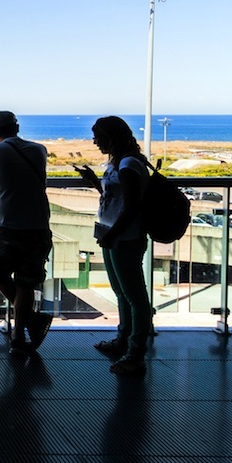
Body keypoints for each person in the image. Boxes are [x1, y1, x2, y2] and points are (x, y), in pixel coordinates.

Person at [0, 111, 53, 357]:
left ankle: (31, 321)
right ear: (16, 126)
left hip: (7, 226)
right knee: (26, 281)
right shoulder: (39, 150)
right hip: (38, 227)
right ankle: (19, 335)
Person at [74, 116, 151, 375]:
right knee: (121, 292)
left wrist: (113, 234)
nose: (95, 141)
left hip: (124, 237)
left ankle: (135, 353)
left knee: (135, 297)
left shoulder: (129, 164)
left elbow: (132, 207)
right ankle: (123, 341)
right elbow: (115, 197)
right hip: (112, 234)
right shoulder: (119, 163)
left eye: (99, 136)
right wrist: (95, 182)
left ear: (113, 137)